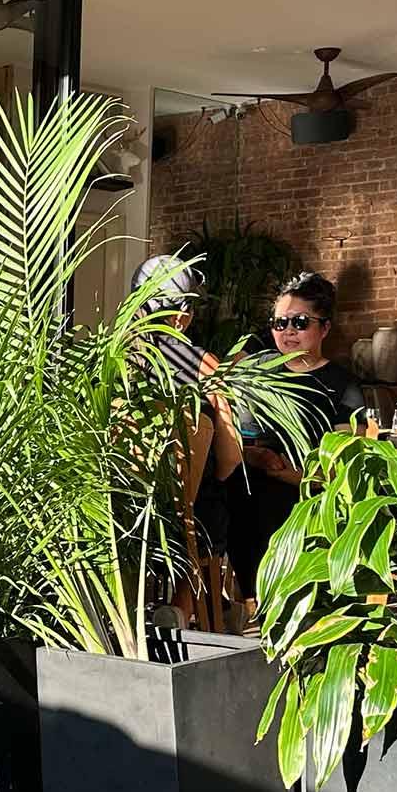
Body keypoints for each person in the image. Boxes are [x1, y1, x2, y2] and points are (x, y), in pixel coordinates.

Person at [229, 271, 369, 598]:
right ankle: (247, 602)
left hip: (307, 499)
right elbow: (230, 434)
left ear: (325, 328)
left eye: (300, 322)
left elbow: (346, 468)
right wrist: (254, 457)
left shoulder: (342, 386)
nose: (288, 331)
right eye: (280, 323)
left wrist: (287, 473)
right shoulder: (256, 372)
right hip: (247, 490)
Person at [129, 256, 243, 631]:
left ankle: (130, 604)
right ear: (180, 314)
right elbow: (230, 456)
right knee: (216, 499)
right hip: (187, 516)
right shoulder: (202, 364)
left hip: (125, 513)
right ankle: (183, 607)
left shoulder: (110, 361)